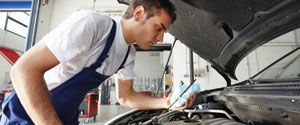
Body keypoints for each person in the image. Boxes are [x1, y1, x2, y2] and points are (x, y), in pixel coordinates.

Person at [1, 0, 198, 124]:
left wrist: (166, 102)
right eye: (158, 28)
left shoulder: (127, 55)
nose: (161, 38)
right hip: (29, 113)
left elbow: (126, 97)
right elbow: (23, 70)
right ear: (138, 14)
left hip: (65, 116)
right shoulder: (93, 24)